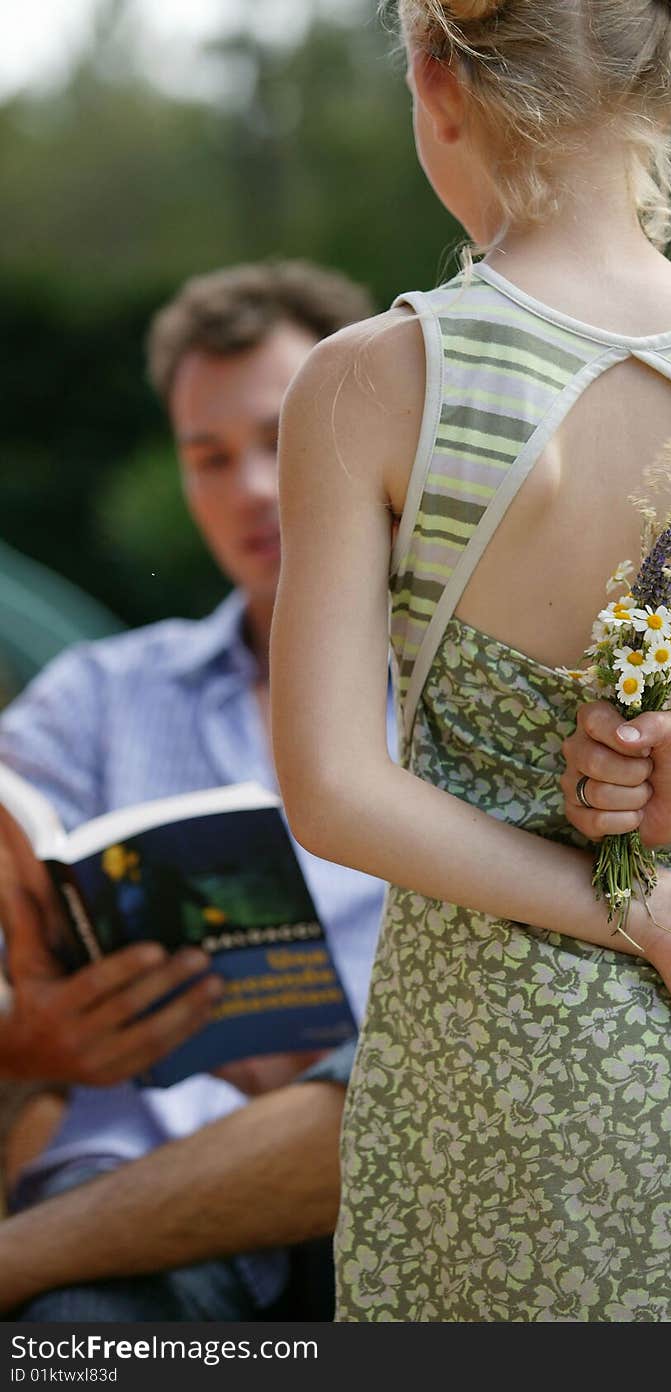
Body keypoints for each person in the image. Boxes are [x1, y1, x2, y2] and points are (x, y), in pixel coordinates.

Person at [269, 0, 671, 1322]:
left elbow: (330, 787)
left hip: (484, 1080)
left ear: (436, 81)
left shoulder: (376, 380)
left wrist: (647, 913)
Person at [0, 259, 394, 1321]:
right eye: (207, 457)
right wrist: (28, 1037)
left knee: (400, 1085)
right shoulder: (96, 696)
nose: (249, 490)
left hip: (374, 1192)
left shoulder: (470, 698)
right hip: (123, 1215)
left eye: (278, 441)